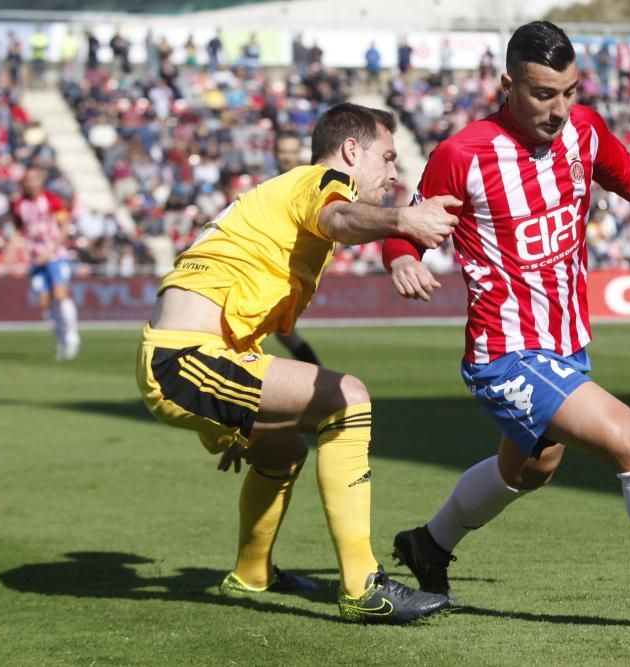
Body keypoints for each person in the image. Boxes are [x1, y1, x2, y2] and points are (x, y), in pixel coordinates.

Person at [381, 21, 630, 605]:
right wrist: (400, 257)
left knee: (530, 472)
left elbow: (629, 176)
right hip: (506, 351)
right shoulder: (462, 155)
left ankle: (429, 544)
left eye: (569, 91)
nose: (560, 108)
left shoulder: (583, 129)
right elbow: (410, 224)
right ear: (508, 84)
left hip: (565, 344)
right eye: (543, 94)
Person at [135, 103, 459, 623]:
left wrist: (233, 420)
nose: (395, 173)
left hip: (196, 355)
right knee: (349, 396)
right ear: (352, 151)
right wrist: (404, 220)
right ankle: (362, 587)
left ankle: (251, 574)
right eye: (389, 157)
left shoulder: (282, 194)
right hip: (185, 358)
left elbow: (230, 300)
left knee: (282, 448)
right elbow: (339, 218)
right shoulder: (323, 181)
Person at [15, 166, 81, 361]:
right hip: (36, 259)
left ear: (40, 182)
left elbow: (64, 226)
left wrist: (50, 250)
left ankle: (72, 335)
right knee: (43, 303)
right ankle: (61, 338)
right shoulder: (19, 205)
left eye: (35, 179)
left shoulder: (51, 200)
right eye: (28, 179)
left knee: (60, 295)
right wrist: (14, 251)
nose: (31, 183)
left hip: (56, 255)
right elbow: (20, 230)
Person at [271, 130, 323, 365]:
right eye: (283, 151)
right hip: (270, 263)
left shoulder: (308, 182)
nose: (287, 156)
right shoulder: (269, 185)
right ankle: (319, 379)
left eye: (292, 151)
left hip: (292, 267)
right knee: (286, 335)